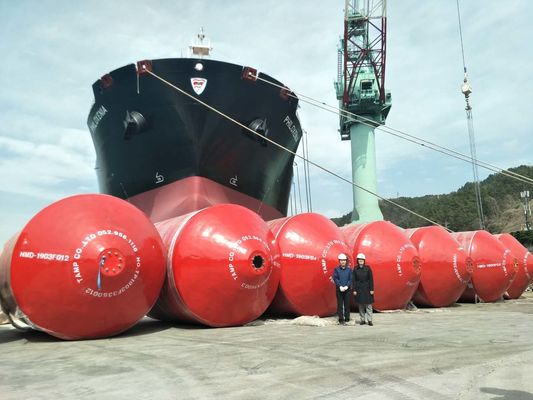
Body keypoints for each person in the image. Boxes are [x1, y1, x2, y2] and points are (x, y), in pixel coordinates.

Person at [352, 253, 374, 326]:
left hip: (367, 289)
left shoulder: (368, 268)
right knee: (361, 305)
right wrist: (354, 290)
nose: (360, 261)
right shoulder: (355, 269)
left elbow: (371, 279)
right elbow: (354, 280)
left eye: (362, 260)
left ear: (364, 260)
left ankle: (370, 320)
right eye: (359, 260)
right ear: (357, 261)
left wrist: (372, 289)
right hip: (359, 289)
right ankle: (362, 320)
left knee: (368, 305)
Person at [332, 253, 352, 325]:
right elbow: (335, 278)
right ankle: (341, 319)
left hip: (347, 290)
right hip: (339, 290)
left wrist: (347, 286)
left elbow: (351, 279)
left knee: (347, 304)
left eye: (344, 260)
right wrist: (340, 286)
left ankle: (347, 318)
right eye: (341, 260)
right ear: (339, 261)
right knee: (340, 305)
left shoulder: (349, 270)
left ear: (346, 261)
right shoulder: (336, 269)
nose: (343, 262)